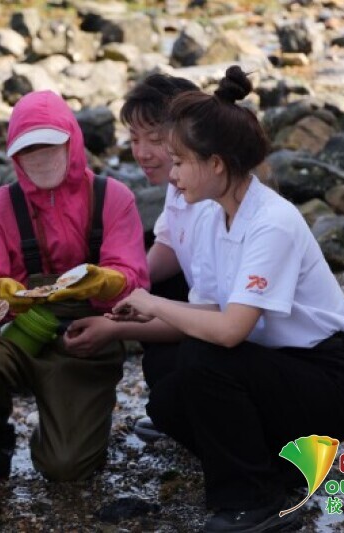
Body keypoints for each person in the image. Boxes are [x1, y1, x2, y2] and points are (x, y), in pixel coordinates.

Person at [109, 66, 344, 532]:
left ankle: (255, 501)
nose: (172, 174)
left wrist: (151, 303)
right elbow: (207, 308)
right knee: (168, 401)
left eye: (180, 161)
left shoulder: (272, 221)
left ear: (216, 164)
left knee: (205, 362)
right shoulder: (211, 214)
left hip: (327, 379)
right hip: (274, 368)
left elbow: (230, 330)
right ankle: (280, 470)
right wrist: (126, 314)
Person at [0, 90, 150, 482]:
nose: (40, 156)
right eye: (29, 149)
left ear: (72, 142)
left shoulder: (113, 198)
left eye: (50, 145)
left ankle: (66, 426)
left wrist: (107, 282)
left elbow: (134, 281)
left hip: (86, 344)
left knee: (66, 469)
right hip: (22, 336)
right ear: (14, 154)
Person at [61, 74, 207, 442]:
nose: (141, 153)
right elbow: (168, 248)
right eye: (134, 138)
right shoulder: (179, 187)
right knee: (151, 282)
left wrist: (117, 327)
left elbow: (221, 318)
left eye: (155, 140)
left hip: (247, 339)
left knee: (169, 380)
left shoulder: (212, 201)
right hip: (213, 318)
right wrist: (115, 283)